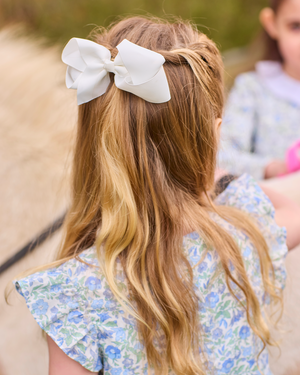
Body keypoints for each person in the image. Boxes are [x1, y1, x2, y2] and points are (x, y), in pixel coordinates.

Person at [13, 17, 300, 375]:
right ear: (213, 135)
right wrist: (218, 174)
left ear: (93, 145)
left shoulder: (73, 295)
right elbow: (293, 211)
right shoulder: (244, 236)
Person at [218, 0, 300, 181]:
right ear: (272, 23)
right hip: (276, 202)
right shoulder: (252, 89)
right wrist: (272, 168)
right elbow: (222, 156)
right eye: (295, 26)